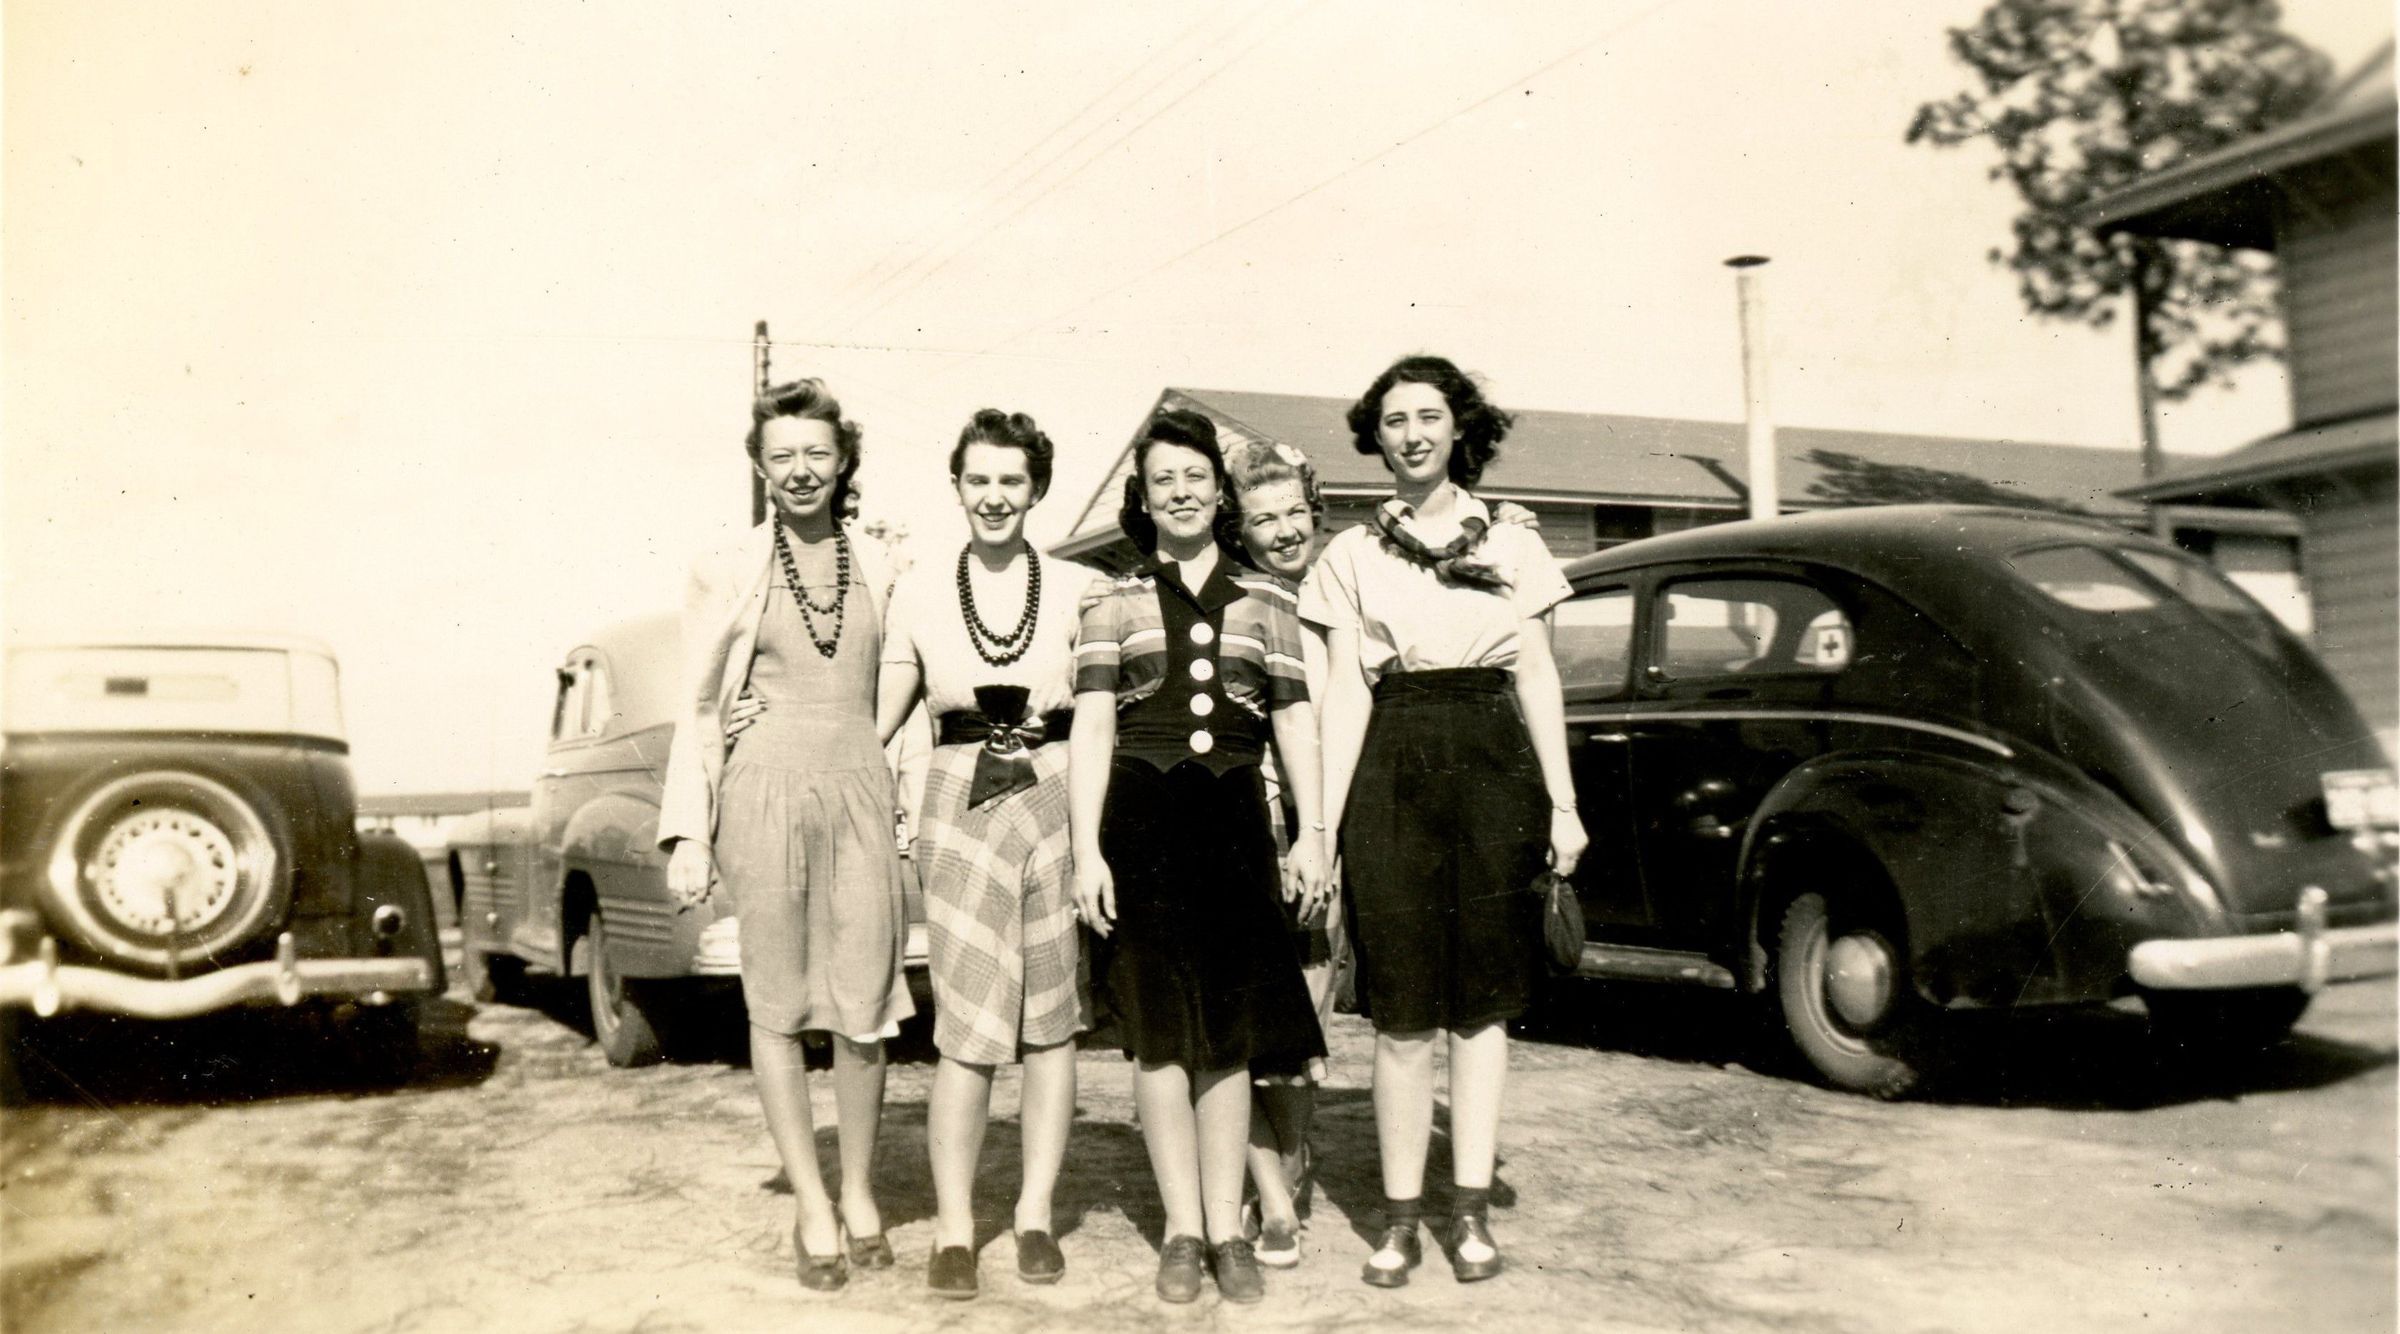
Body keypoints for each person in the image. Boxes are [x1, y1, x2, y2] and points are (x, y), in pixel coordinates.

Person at [1299, 355, 1588, 1289]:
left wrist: (1563, 804)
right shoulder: (1350, 555)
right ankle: (1398, 1220)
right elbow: (1347, 692)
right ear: (1375, 438)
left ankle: (1467, 1212)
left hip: (1496, 767)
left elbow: (1536, 675)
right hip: (1394, 767)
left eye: (1429, 416)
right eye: (1394, 421)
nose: (1413, 435)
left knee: (1480, 1008)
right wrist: (1323, 828)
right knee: (1402, 1012)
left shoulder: (1514, 542)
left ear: (1459, 427)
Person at [1066, 409, 1329, 1305]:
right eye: (1162, 480)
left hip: (1234, 830)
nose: (1180, 492)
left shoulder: (1268, 603)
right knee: (1159, 1040)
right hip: (1141, 828)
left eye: (1195, 477)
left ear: (1220, 493)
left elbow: (1292, 719)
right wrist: (1086, 851)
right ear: (1143, 499)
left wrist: (1312, 834)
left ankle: (1227, 1229)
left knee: (1227, 1038)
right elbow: (1093, 727)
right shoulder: (1110, 602)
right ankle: (1182, 1228)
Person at [657, 378, 914, 1294]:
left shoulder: (886, 560)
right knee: (775, 1002)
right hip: (761, 794)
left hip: (860, 789)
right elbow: (699, 703)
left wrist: (891, 769)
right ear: (760, 468)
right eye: (782, 457)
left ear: (843, 461)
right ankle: (811, 1203)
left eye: (816, 454)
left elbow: (910, 675)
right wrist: (691, 832)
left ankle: (859, 1189)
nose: (801, 471)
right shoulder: (724, 567)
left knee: (864, 1002)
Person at [872, 409, 1093, 1301]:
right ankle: (956, 1228)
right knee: (966, 1022)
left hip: (1058, 792)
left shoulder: (1080, 587)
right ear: (957, 486)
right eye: (978, 480)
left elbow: (1109, 710)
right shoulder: (919, 589)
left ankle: (1035, 1215)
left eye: (1011, 481)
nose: (994, 497)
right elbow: (879, 712)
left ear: (1036, 489)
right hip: (958, 800)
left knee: (1051, 1020)